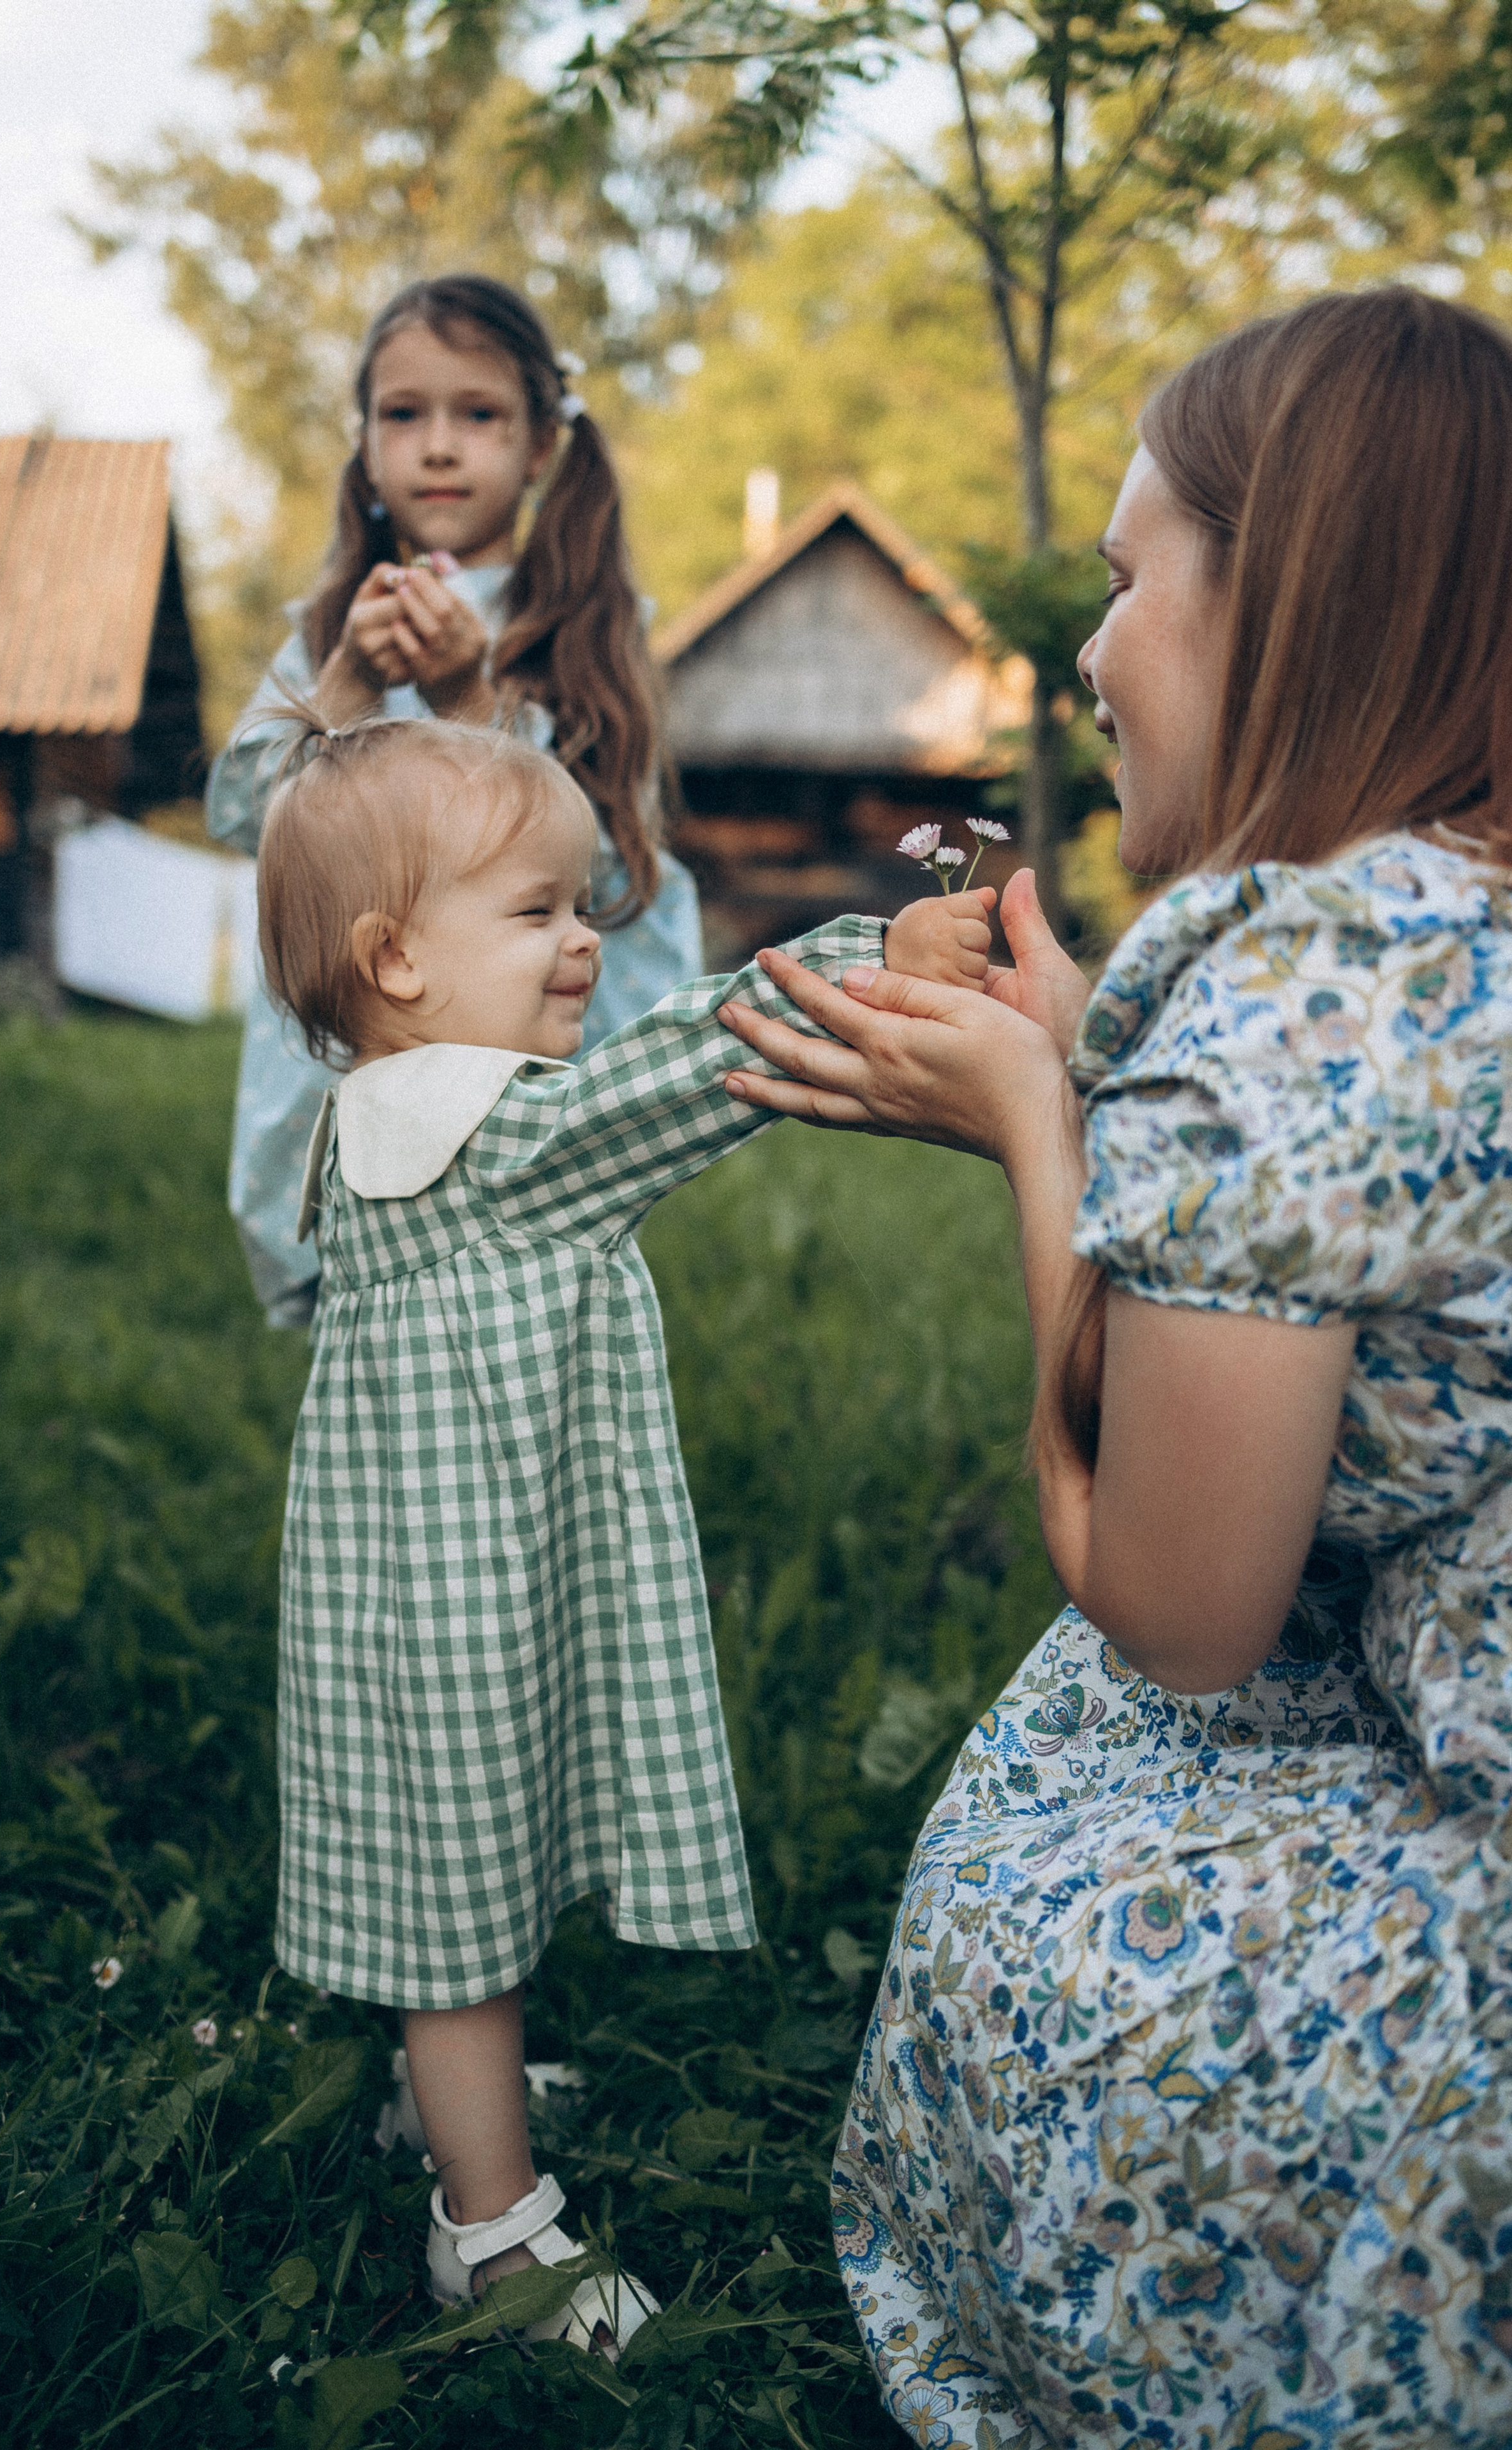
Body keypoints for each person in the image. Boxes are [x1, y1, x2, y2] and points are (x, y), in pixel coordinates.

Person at [716, 287, 1512, 2444]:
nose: (1085, 656)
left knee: (1090, 1756)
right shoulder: (1445, 929)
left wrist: (1038, 1133)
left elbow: (1177, 1605)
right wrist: (1107, 1062)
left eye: (1127, 579)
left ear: (1288, 606)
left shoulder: (1286, 985)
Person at [254, 707, 992, 2352]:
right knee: (462, 1914)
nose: (584, 940)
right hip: (469, 1603)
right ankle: (490, 2234)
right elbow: (681, 1068)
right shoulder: (501, 1139)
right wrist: (868, 959)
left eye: (581, 904)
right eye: (536, 911)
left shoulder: (380, 1118)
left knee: (452, 1864)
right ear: (395, 961)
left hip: (421, 1595)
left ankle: (440, 2097)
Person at [207, 273, 705, 1326]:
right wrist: (344, 682)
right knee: (367, 1298)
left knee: (508, 1292)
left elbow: (603, 860)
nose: (438, 447)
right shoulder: (334, 627)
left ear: (540, 446)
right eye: (404, 414)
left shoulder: (584, 625)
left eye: (478, 414)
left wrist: (470, 698)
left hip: (516, 1055)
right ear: (365, 446)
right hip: (361, 1026)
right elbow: (244, 818)